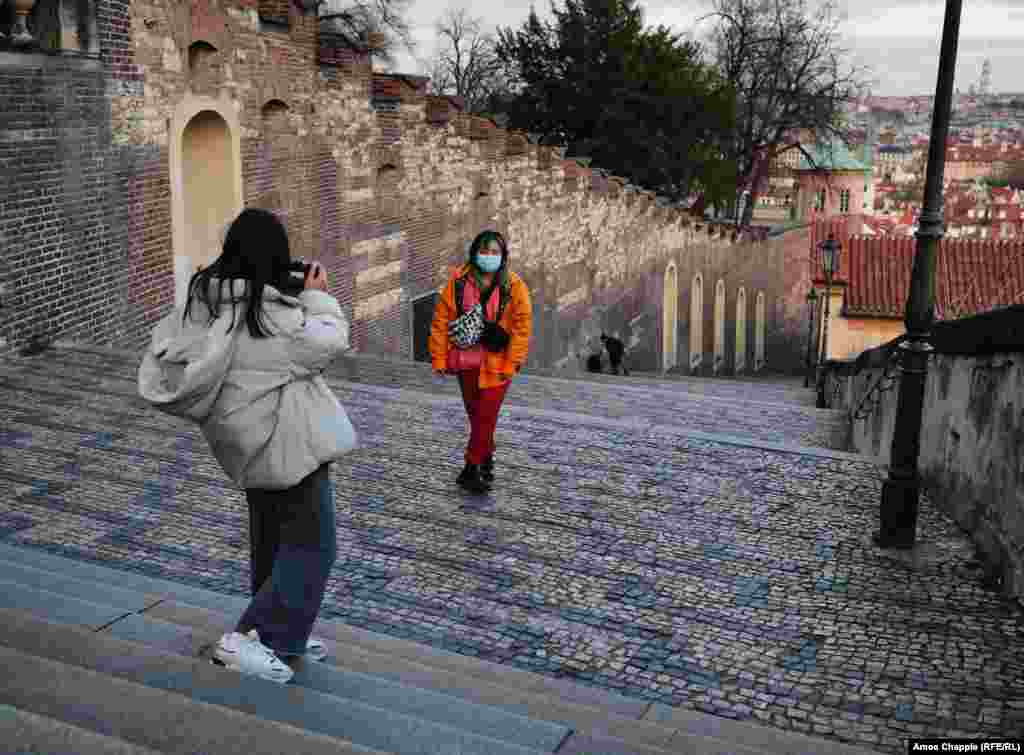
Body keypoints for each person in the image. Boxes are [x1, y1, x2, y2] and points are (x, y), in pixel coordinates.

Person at [138, 208, 356, 685]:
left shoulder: (213, 301)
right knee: (315, 547)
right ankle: (255, 635)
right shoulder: (270, 317)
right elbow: (330, 342)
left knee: (274, 542)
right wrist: (317, 298)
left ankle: (283, 632)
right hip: (288, 446)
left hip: (248, 444)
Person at [429, 230, 531, 493]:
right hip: (467, 362)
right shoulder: (458, 281)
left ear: (503, 256)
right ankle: (485, 457)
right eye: (484, 251)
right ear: (474, 252)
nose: (489, 256)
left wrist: (513, 362)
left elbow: (522, 327)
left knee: (485, 417)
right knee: (477, 417)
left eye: (495, 252)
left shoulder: (514, 286)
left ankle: (470, 469)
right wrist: (439, 357)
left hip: (498, 365)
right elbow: (441, 320)